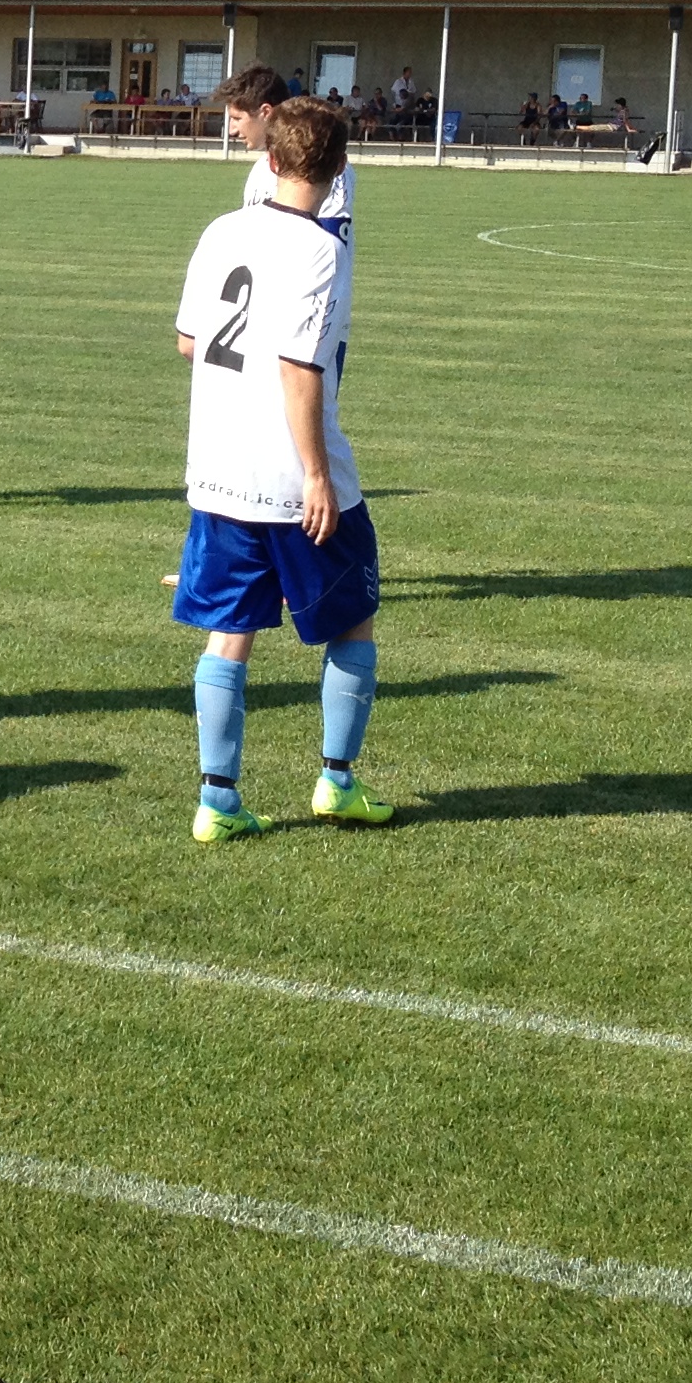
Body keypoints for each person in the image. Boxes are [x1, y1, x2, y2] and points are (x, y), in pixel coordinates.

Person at [171, 96, 386, 842]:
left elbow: (189, 342)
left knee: (230, 630)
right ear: (339, 169)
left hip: (218, 465)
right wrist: (317, 475)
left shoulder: (222, 229)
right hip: (290, 475)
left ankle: (217, 802)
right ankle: (337, 783)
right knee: (352, 619)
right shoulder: (322, 249)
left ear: (270, 159)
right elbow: (299, 368)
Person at [222, 64, 352, 236]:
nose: (231, 130)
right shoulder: (260, 168)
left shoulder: (322, 164)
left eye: (237, 118)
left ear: (265, 112)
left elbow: (330, 243)